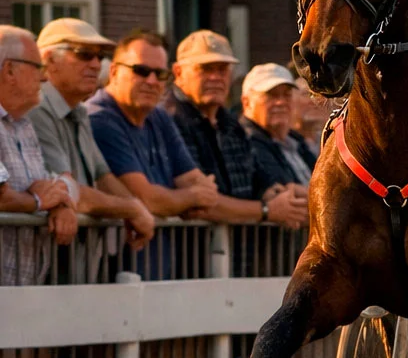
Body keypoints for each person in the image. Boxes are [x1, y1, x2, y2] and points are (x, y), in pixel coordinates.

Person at [26, 18, 155, 250]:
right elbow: (68, 191)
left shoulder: (79, 111)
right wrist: (132, 209)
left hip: (80, 260)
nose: (96, 64)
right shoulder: (36, 109)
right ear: (48, 60)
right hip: (49, 259)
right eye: (84, 54)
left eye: (100, 55)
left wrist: (137, 209)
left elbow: (103, 176)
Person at [164, 30, 305, 229]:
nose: (215, 77)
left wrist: (278, 193)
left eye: (222, 69)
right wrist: (266, 210)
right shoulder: (170, 120)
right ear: (178, 72)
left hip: (234, 252)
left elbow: (257, 176)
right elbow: (201, 203)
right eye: (205, 69)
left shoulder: (229, 122)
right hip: (190, 253)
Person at [86, 32, 222, 222]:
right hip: (126, 249)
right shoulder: (100, 118)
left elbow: (195, 181)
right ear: (114, 72)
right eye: (140, 70)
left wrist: (185, 199)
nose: (151, 81)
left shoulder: (160, 117)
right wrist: (192, 198)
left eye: (160, 74)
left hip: (162, 249)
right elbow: (147, 199)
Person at [0, 26, 78, 279]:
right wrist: (40, 203)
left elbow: (48, 184)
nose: (44, 79)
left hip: (23, 291)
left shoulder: (23, 125)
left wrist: (60, 204)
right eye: (38, 67)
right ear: (10, 70)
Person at [240, 64, 316, 189]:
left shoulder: (297, 142)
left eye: (287, 95)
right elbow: (285, 196)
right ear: (246, 102)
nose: (280, 102)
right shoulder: (245, 142)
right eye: (271, 95)